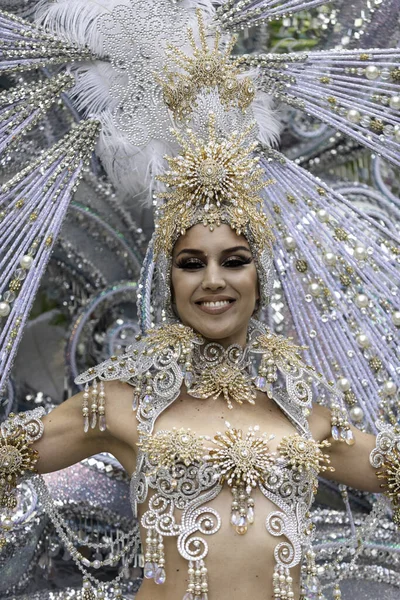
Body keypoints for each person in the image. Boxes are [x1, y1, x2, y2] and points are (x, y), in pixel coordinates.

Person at [1, 3, 400, 600]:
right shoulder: (115, 408)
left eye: (234, 261)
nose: (214, 279)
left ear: (259, 279)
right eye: (192, 264)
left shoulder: (303, 418)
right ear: (170, 282)